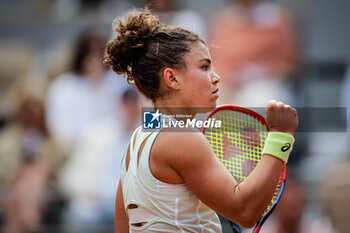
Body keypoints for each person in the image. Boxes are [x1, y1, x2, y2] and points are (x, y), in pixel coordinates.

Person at [104, 8, 298, 232]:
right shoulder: (183, 138)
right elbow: (245, 212)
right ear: (172, 78)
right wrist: (279, 137)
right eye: (204, 67)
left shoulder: (137, 139)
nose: (216, 78)